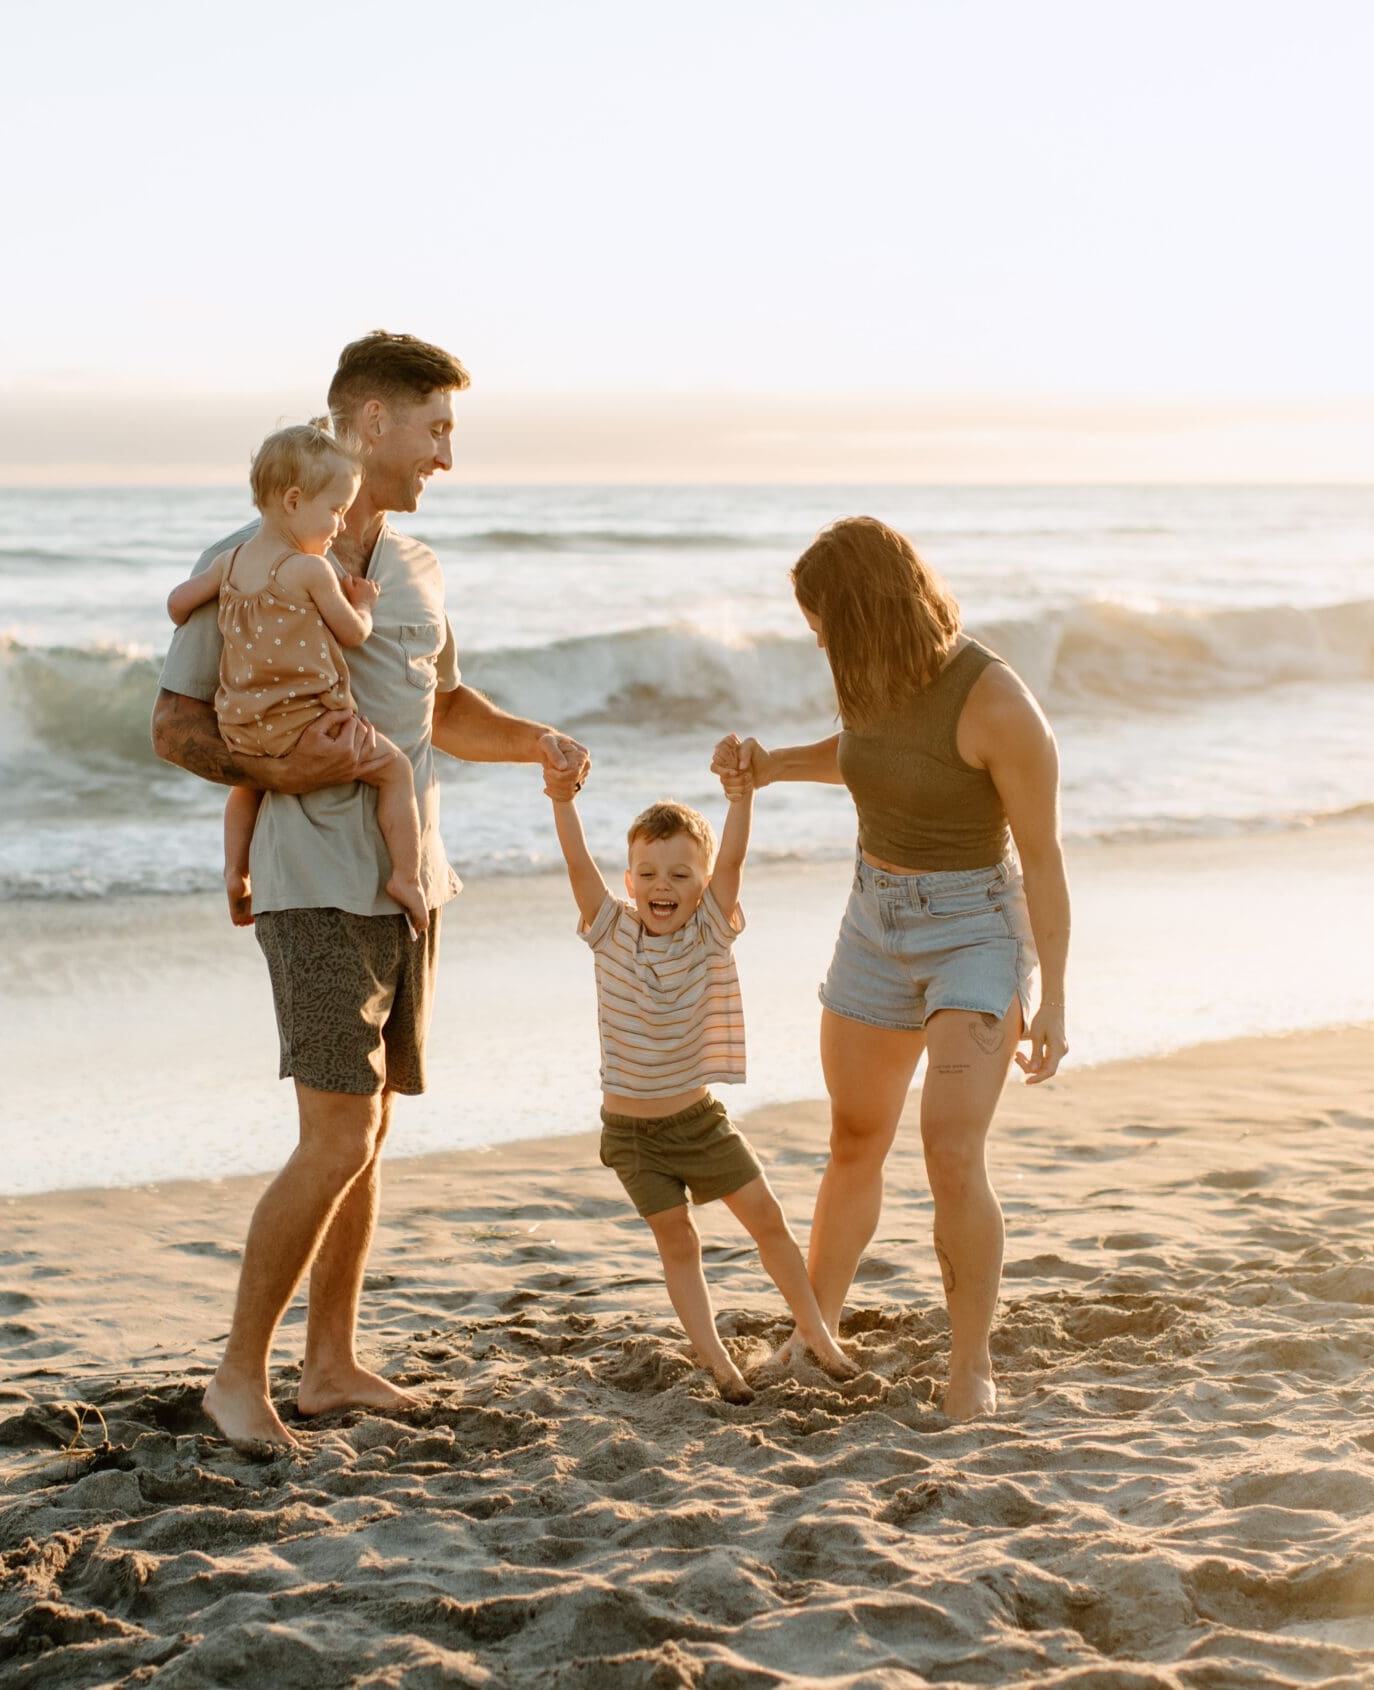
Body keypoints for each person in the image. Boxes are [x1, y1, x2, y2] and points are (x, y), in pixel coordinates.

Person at [152, 332, 590, 1449]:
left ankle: (330, 1363)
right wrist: (272, 768)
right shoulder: (248, 555)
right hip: (312, 882)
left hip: (409, 885)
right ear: (367, 424)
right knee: (336, 1133)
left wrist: (537, 739)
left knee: (373, 1131)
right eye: (435, 428)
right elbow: (174, 727)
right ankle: (235, 1376)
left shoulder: (420, 567)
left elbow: (442, 710)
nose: (447, 455)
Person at [712, 516, 1071, 1420]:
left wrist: (1056, 997)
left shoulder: (996, 704)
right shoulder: (869, 675)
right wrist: (768, 767)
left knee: (951, 1148)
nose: (818, 638)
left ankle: (971, 1367)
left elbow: (1046, 858)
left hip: (975, 931)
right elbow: (865, 755)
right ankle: (815, 1333)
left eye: (824, 620)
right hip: (875, 923)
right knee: (854, 1139)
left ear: (865, 610)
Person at [544, 771, 858, 1401]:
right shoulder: (609, 931)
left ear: (703, 885)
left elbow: (735, 855)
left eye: (682, 874)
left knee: (768, 1220)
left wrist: (741, 798)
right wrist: (561, 799)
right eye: (649, 873)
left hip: (699, 1120)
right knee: (678, 1241)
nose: (664, 885)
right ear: (630, 882)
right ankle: (718, 1362)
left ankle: (818, 1334)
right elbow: (577, 861)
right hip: (633, 1135)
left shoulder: (711, 928)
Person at [166, 423, 426, 931]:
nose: (339, 524)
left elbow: (177, 604)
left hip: (242, 726)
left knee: (247, 788)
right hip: (308, 724)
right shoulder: (310, 570)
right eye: (334, 510)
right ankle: (407, 877)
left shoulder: (229, 562)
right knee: (395, 771)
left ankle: (236, 872)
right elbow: (353, 635)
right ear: (292, 500)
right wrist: (365, 603)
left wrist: (195, 610)